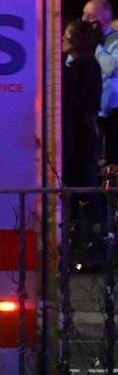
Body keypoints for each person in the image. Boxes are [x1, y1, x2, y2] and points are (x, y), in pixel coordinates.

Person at [66, 19, 106, 262]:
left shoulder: (83, 68)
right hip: (82, 142)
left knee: (86, 198)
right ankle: (90, 251)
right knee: (86, 196)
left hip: (79, 144)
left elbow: (74, 103)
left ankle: (93, 252)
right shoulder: (85, 66)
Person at [86, 0, 118, 165]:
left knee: (111, 162)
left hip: (112, 113)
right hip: (93, 111)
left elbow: (111, 67)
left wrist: (95, 47)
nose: (84, 20)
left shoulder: (115, 40)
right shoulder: (88, 41)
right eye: (84, 14)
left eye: (90, 16)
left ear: (105, 19)